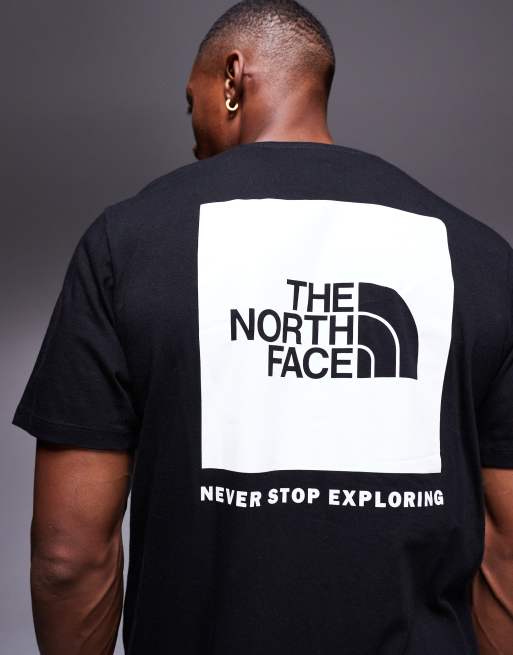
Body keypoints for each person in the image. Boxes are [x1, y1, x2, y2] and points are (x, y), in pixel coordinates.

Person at [11, 0, 513, 653]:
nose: (192, 131)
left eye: (189, 102)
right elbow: (506, 552)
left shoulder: (127, 245)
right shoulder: (479, 260)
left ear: (231, 79)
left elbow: (69, 556)